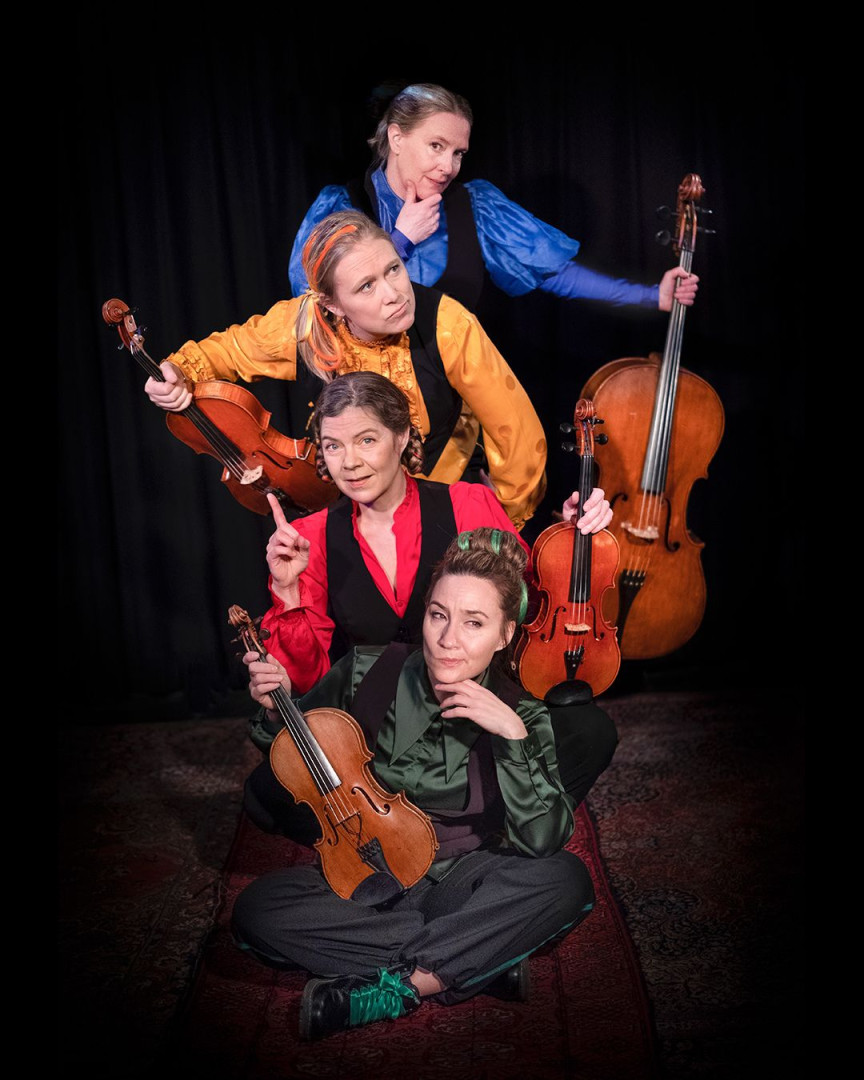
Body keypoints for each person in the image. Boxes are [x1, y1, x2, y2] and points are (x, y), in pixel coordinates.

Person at [233, 526, 596, 1041]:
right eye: (438, 615)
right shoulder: (366, 669)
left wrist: (512, 737)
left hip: (463, 883)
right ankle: (471, 960)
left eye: (474, 623)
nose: (448, 640)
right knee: (257, 910)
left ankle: (402, 987)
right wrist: (277, 710)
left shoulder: (522, 713)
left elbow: (542, 839)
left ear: (504, 635)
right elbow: (296, 750)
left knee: (565, 879)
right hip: (363, 878)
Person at [240, 371, 616, 852]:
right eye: (333, 446)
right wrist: (287, 590)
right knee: (265, 794)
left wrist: (570, 531)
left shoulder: (467, 503)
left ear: (401, 437)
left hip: (473, 706)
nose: (349, 462)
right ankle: (401, 835)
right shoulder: (310, 536)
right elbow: (309, 684)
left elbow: (531, 607)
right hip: (380, 722)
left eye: (367, 440)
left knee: (589, 730)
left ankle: (486, 832)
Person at [146, 210, 549, 531]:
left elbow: (517, 434)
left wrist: (503, 523)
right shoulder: (305, 324)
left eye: (394, 269)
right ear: (333, 304)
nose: (394, 294)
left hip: (441, 503)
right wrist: (177, 372)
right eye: (366, 286)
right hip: (348, 516)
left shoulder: (448, 324)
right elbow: (227, 351)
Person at [288, 82, 699, 315]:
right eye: (436, 146)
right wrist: (401, 240)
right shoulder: (341, 207)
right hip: (366, 417)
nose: (448, 166)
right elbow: (308, 311)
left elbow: (554, 272)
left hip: (453, 416)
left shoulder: (475, 207)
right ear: (396, 138)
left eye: (458, 153)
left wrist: (652, 295)